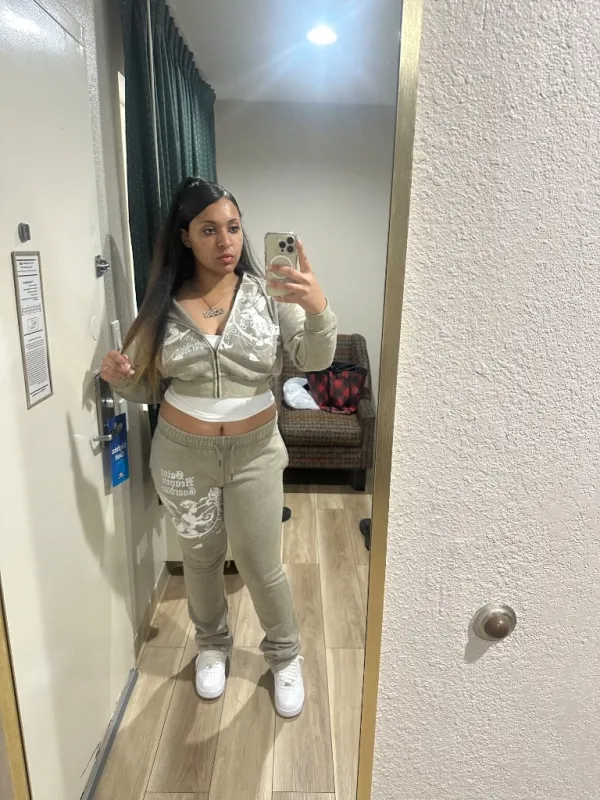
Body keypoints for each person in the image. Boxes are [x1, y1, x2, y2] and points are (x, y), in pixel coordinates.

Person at [101, 177, 337, 718]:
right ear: (185, 236)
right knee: (201, 559)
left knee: (260, 562)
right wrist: (120, 377)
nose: (225, 241)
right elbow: (146, 388)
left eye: (232, 227)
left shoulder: (270, 293)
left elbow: (315, 358)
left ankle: (285, 655)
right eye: (208, 230)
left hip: (256, 453)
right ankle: (212, 645)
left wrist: (317, 305)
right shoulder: (162, 304)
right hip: (182, 456)